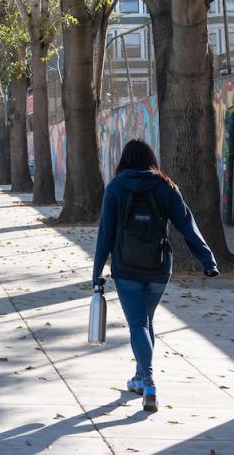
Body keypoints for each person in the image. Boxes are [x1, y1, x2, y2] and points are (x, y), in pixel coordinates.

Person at [93, 139, 219, 413]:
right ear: (151, 159)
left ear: (124, 160)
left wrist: (97, 271)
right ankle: (139, 378)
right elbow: (187, 224)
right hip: (159, 267)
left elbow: (106, 232)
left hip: (126, 268)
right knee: (146, 321)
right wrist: (207, 260)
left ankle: (148, 382)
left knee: (138, 324)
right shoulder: (166, 187)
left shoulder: (115, 187)